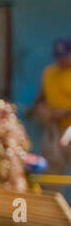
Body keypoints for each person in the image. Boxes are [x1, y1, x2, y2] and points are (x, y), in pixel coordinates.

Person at [28, 39, 71, 176]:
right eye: (58, 57)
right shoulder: (49, 72)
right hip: (54, 129)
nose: (61, 61)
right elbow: (42, 95)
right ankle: (53, 195)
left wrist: (64, 113)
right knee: (52, 168)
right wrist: (36, 109)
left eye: (65, 57)